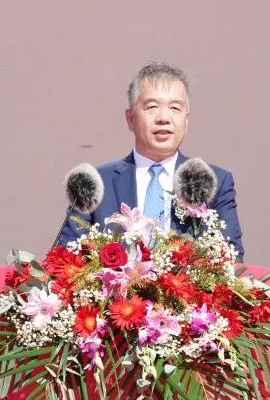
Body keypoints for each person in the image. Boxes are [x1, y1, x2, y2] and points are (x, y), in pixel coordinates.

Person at [55, 62, 245, 260]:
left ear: (186, 121)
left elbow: (231, 259)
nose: (164, 118)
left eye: (175, 108)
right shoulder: (93, 183)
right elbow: (65, 259)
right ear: (130, 119)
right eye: (152, 107)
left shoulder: (215, 183)